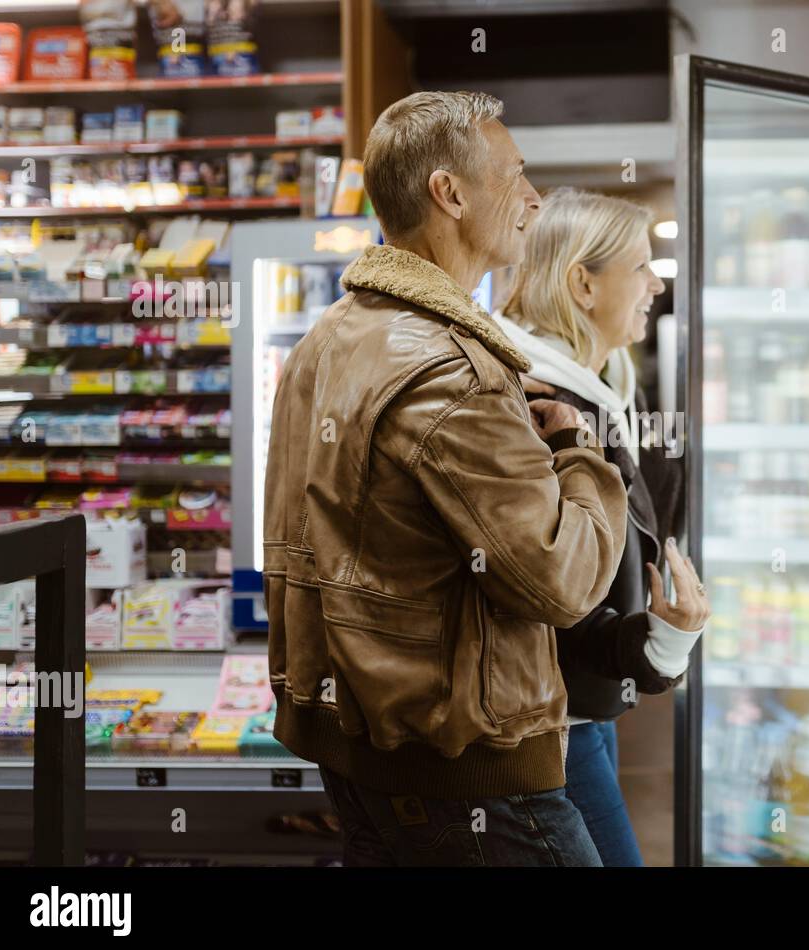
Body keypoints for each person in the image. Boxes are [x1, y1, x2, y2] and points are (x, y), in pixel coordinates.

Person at [262, 92, 629, 866]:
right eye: (515, 175)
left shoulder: (328, 337)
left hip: (359, 747)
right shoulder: (453, 366)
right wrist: (580, 454)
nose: (534, 198)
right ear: (450, 193)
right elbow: (563, 580)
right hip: (467, 770)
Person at [496, 187, 711, 866]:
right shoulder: (537, 401)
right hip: (551, 716)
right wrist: (661, 646)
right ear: (582, 285)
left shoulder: (600, 389)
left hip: (583, 701)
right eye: (640, 266)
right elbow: (553, 594)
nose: (656, 284)